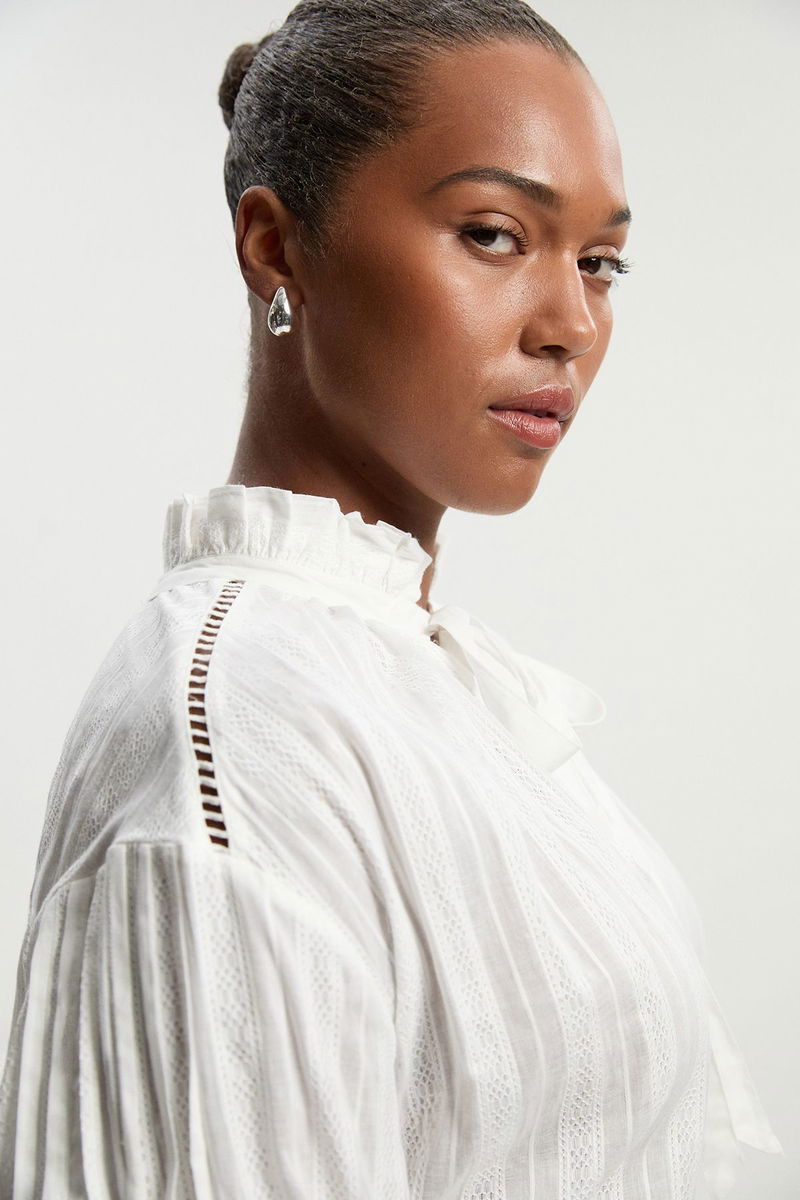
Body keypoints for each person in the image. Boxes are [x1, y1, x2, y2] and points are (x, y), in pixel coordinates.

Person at [0, 1, 784, 1197]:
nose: (571, 325)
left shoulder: (422, 683)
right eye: (492, 235)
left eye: (599, 262)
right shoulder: (235, 733)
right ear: (276, 248)